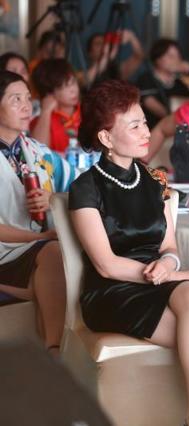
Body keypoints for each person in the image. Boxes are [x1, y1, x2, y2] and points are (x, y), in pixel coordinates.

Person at [69, 79, 189, 426]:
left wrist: (169, 265)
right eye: (135, 126)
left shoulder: (153, 180)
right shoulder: (85, 188)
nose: (147, 132)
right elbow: (106, 265)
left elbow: (169, 246)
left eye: (144, 122)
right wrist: (171, 274)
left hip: (158, 280)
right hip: (113, 291)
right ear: (106, 137)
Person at [0, 70, 77, 355]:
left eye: (27, 99)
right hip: (10, 249)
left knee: (55, 264)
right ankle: (55, 351)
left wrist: (52, 199)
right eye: (15, 99)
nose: (26, 107)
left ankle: (51, 356)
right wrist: (43, 236)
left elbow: (80, 187)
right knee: (56, 255)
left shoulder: (37, 151)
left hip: (33, 249)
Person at [136, 38, 189, 130]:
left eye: (178, 56)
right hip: (153, 129)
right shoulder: (147, 79)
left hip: (178, 127)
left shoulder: (181, 80)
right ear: (158, 59)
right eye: (171, 56)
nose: (177, 60)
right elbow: (150, 103)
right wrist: (175, 119)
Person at [30, 59, 81, 153]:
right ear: (49, 93)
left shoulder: (87, 111)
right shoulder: (41, 121)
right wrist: (45, 112)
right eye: (64, 86)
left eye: (73, 82)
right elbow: (38, 152)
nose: (73, 90)